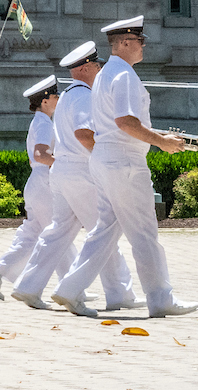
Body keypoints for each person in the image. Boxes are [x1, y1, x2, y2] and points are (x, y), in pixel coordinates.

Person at [50, 17, 198, 320]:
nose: (144, 46)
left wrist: (156, 138)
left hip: (106, 159)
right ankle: (160, 298)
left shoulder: (106, 74)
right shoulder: (124, 75)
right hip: (124, 161)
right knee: (144, 231)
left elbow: (117, 123)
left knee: (105, 229)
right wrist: (161, 141)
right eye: (140, 40)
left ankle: (69, 287)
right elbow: (126, 122)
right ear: (126, 43)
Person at [9, 43, 140, 311]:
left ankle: (29, 286)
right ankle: (110, 292)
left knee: (59, 231)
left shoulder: (69, 94)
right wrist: (101, 158)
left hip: (63, 172)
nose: (100, 69)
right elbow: (83, 134)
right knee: (104, 231)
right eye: (96, 65)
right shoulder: (82, 95)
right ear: (84, 68)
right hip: (79, 172)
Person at [0, 73, 61, 301]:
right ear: (44, 101)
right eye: (55, 95)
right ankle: (56, 286)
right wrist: (65, 163)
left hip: (37, 182)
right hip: (44, 182)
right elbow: (40, 154)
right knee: (57, 235)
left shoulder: (39, 122)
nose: (58, 99)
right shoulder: (44, 122)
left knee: (33, 235)